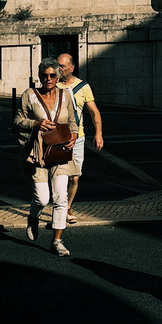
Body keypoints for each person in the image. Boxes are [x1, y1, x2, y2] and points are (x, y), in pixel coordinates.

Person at [15, 56, 79, 257]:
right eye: (45, 75)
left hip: (61, 152)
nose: (49, 79)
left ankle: (57, 240)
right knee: (42, 199)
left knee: (61, 197)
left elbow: (73, 123)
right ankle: (33, 216)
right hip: (39, 154)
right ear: (40, 76)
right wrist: (35, 124)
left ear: (58, 76)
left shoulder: (66, 96)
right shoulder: (29, 95)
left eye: (52, 75)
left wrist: (74, 137)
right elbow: (17, 122)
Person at [57, 53, 103, 224]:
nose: (59, 69)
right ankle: (60, 208)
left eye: (62, 66)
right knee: (58, 177)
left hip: (78, 138)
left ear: (72, 67)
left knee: (74, 177)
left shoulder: (83, 87)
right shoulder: (53, 84)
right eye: (58, 65)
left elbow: (94, 112)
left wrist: (98, 133)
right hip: (57, 138)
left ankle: (67, 207)